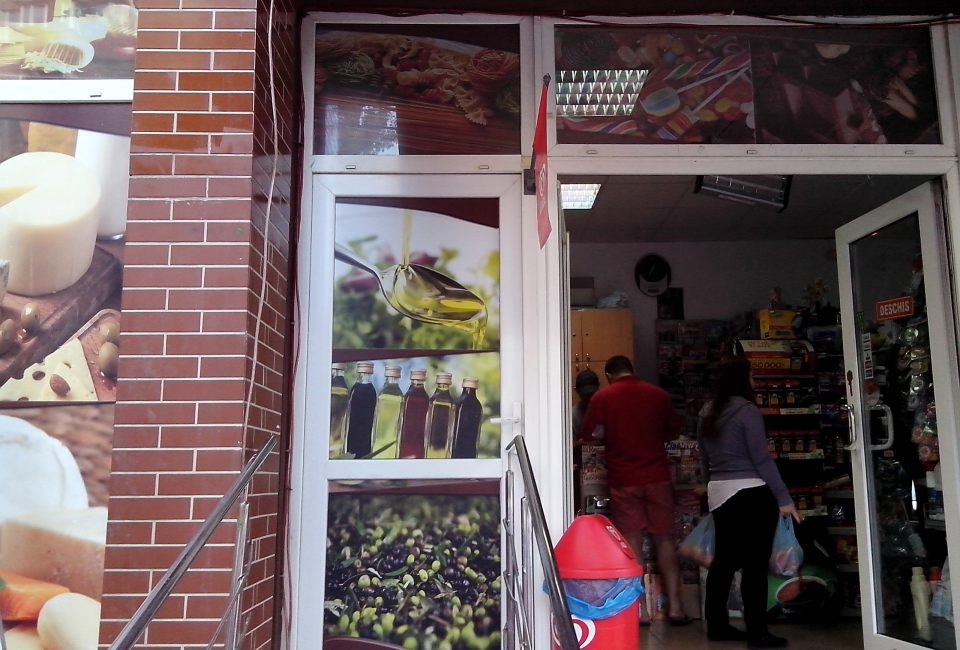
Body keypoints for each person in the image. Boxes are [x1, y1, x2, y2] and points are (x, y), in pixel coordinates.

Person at [697, 356, 800, 649]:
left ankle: (717, 625)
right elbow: (762, 459)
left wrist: (710, 488)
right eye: (752, 377)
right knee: (755, 565)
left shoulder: (706, 411)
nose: (755, 382)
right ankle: (757, 632)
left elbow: (703, 457)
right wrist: (784, 498)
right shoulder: (748, 412)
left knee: (724, 562)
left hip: (719, 491)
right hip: (751, 492)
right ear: (743, 381)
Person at [580, 355, 689, 625]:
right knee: (665, 540)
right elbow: (673, 431)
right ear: (633, 369)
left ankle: (639, 611)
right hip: (657, 477)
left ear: (608, 375)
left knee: (632, 544)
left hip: (624, 479)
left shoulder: (602, 398)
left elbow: (589, 434)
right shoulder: (658, 395)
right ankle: (676, 608)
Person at [571, 369, 600, 513]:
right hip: (582, 467)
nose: (589, 397)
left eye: (591, 393)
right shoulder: (574, 414)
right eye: (585, 394)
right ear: (577, 392)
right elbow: (567, 447)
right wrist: (582, 442)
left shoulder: (604, 408)